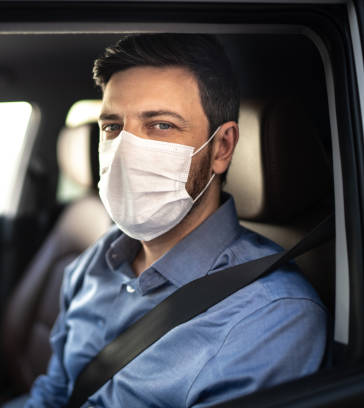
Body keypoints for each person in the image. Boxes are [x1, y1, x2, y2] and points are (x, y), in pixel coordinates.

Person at [22, 34, 327, 407]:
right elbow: (55, 393)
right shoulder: (96, 261)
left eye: (161, 125)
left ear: (222, 148)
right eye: (112, 127)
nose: (124, 153)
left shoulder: (269, 318)